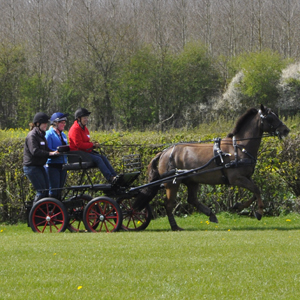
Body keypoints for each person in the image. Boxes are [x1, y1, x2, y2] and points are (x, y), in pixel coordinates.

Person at [68, 108, 118, 183]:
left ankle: (115, 176)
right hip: (78, 155)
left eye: (87, 117)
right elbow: (79, 145)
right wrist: (92, 144)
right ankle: (110, 178)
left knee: (102, 157)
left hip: (85, 153)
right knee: (98, 159)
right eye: (84, 117)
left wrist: (94, 145)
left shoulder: (85, 129)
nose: (86, 119)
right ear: (79, 119)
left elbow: (86, 142)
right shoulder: (75, 129)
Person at [23, 112, 58, 203]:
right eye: (44, 123)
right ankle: (34, 213)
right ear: (38, 124)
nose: (46, 125)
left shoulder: (41, 135)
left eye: (46, 123)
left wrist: (56, 152)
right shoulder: (32, 136)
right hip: (31, 167)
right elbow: (35, 151)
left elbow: (46, 149)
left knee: (46, 191)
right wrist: (50, 154)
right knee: (41, 191)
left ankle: (42, 213)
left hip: (39, 166)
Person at [45, 112, 69, 199]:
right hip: (53, 165)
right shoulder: (49, 134)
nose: (64, 124)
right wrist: (56, 152)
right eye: (62, 122)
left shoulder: (63, 135)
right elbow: (47, 150)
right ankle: (52, 207)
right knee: (54, 189)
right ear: (55, 123)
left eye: (64, 123)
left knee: (60, 189)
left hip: (62, 164)